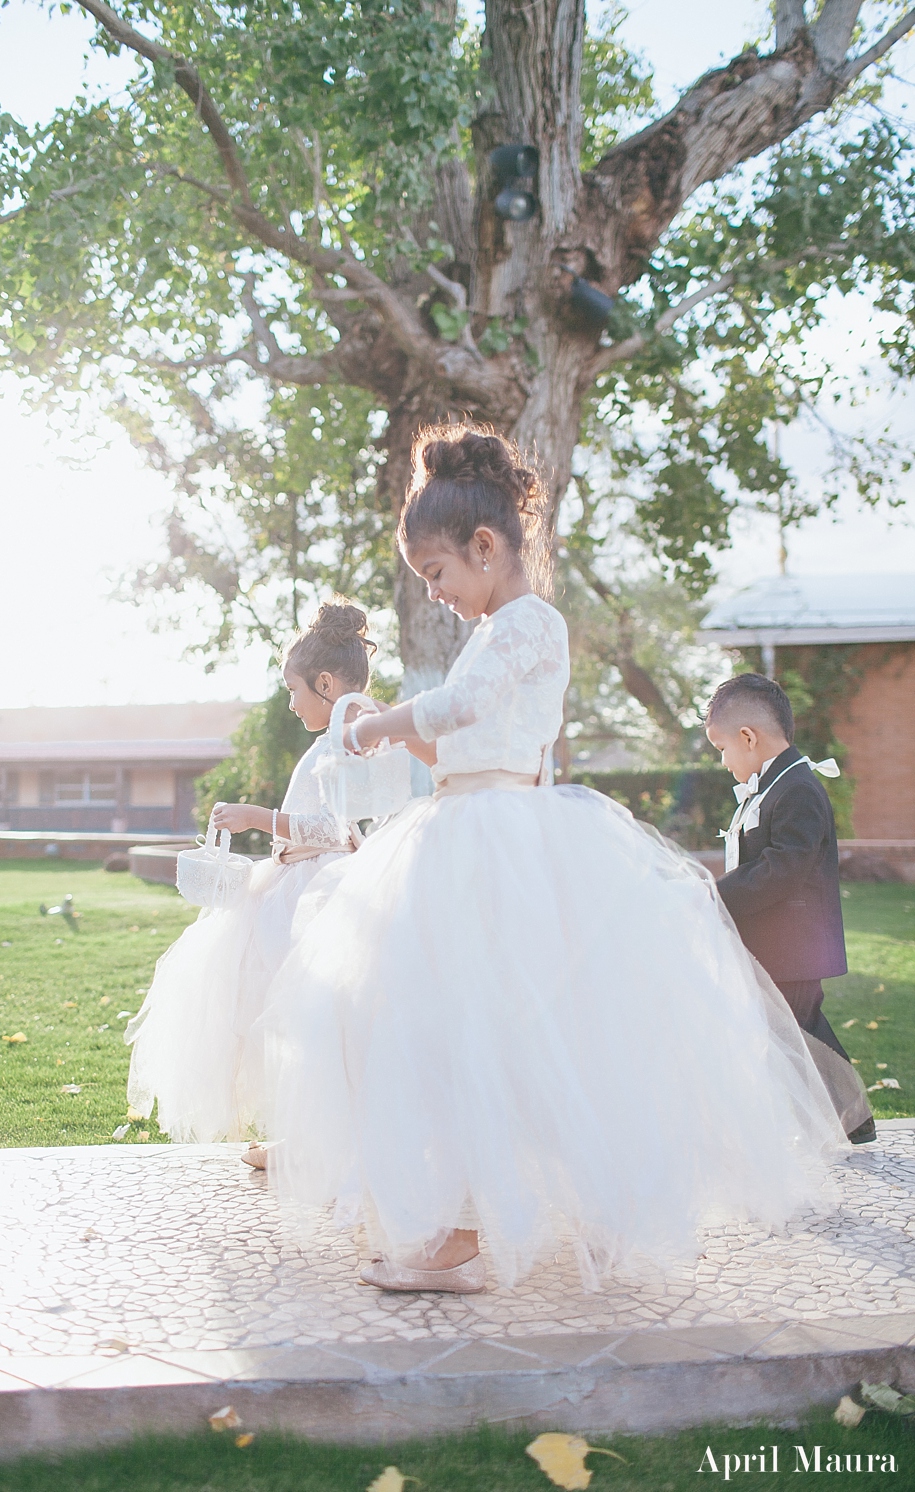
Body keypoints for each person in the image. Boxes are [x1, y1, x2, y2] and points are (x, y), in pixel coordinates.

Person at [258, 425, 846, 1296]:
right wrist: (398, 742)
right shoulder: (496, 627)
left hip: (502, 845)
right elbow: (463, 743)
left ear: (485, 547)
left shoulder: (527, 624)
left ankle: (469, 1229)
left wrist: (375, 722)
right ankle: (468, 1215)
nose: (438, 594)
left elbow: (465, 706)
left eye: (439, 575)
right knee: (456, 1027)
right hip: (465, 829)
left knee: (495, 1027)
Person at [125, 601, 377, 1160]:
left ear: (327, 683)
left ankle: (321, 1142)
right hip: (293, 881)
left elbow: (338, 828)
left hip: (316, 894)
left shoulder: (349, 737)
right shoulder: (339, 733)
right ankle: (305, 1135)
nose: (290, 703)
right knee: (286, 1017)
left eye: (294, 690)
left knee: (310, 1016)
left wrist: (256, 818)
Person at [705, 673, 875, 1145]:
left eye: (721, 748)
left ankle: (842, 1121)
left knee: (797, 1033)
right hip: (773, 941)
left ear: (748, 737)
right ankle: (844, 1120)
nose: (722, 761)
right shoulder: (774, 785)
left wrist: (717, 896)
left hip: (793, 944)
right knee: (794, 1033)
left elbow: (784, 867)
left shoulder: (796, 789)